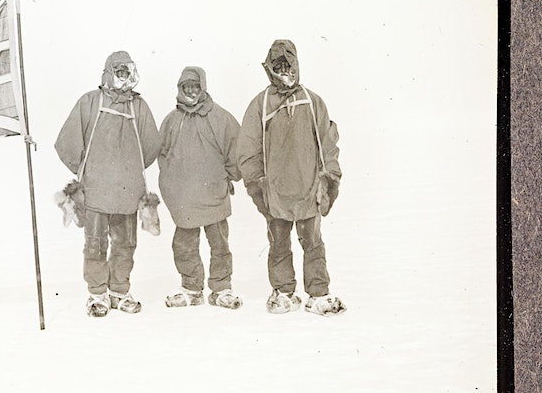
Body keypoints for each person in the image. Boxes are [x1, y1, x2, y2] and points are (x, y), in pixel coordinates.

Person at [236, 39, 346, 316]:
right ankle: (283, 291)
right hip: (275, 192)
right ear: (270, 69)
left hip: (309, 189)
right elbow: (247, 149)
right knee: (279, 244)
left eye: (288, 64)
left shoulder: (313, 102)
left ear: (296, 65)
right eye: (278, 66)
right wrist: (257, 184)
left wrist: (329, 178)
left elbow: (328, 144)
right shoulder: (260, 104)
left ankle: (318, 293)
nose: (284, 70)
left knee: (313, 243)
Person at [54, 51, 162, 318]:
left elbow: (151, 146)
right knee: (95, 244)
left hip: (128, 192)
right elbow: (67, 142)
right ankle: (97, 294)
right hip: (95, 192)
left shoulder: (139, 107)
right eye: (119, 73)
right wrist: (87, 170)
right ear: (108, 73)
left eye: (127, 73)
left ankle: (120, 291)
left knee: (125, 244)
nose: (123, 79)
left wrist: (129, 170)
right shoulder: (90, 101)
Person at [157, 66, 243, 309]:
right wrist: (172, 182)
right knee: (184, 245)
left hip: (214, 194)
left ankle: (221, 288)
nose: (191, 91)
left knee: (219, 244)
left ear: (203, 87)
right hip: (184, 198)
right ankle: (191, 288)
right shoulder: (172, 121)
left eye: (195, 86)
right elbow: (161, 154)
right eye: (187, 87)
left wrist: (229, 177)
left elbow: (235, 150)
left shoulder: (220, 117)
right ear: (180, 89)